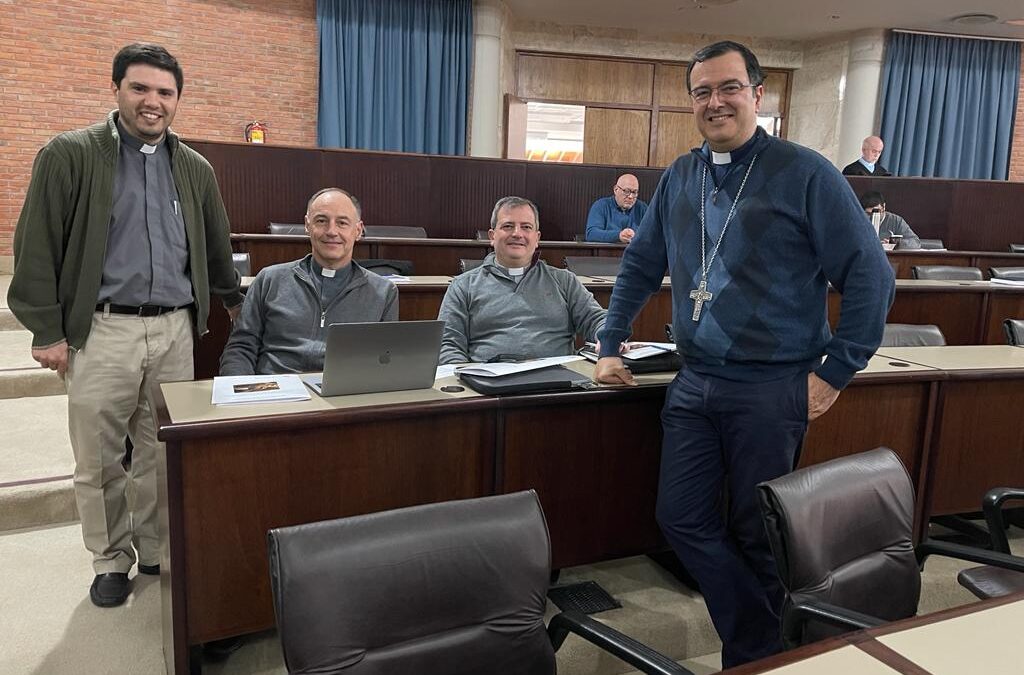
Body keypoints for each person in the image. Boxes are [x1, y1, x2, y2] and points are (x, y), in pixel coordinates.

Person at [593, 41, 894, 668]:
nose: (715, 102)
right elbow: (641, 265)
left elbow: (871, 275)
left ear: (758, 94)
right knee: (680, 520)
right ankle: (763, 640)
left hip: (773, 387)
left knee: (759, 533)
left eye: (729, 87)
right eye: (701, 92)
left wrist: (836, 371)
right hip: (695, 381)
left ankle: (751, 657)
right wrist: (608, 342)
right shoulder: (680, 175)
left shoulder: (807, 172)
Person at [7, 43, 243, 608]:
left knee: (161, 449)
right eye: (140, 88)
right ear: (116, 90)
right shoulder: (70, 154)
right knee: (99, 455)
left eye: (165, 92)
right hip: (103, 328)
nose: (152, 102)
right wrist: (46, 330)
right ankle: (110, 558)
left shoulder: (194, 168)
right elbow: (36, 243)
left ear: (178, 99)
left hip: (173, 332)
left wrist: (233, 302)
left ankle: (156, 546)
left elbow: (214, 245)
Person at [220, 188, 398, 375]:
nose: (331, 231)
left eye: (342, 223)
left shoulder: (384, 293)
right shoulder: (269, 280)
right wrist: (240, 394)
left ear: (358, 230)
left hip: (344, 397)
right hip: (275, 393)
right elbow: (240, 348)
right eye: (321, 221)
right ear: (307, 225)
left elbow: (385, 361)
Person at [438, 196, 606, 364]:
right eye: (508, 226)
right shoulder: (462, 286)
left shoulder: (565, 281)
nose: (517, 233)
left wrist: (608, 336)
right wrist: (467, 381)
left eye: (526, 227)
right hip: (488, 384)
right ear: (492, 236)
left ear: (537, 238)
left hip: (556, 383)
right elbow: (448, 345)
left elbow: (596, 319)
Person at [585, 173, 648, 243]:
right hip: (607, 252)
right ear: (616, 189)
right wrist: (619, 235)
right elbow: (591, 234)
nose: (630, 196)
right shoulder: (601, 206)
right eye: (626, 191)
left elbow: (652, 234)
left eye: (634, 192)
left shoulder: (642, 208)